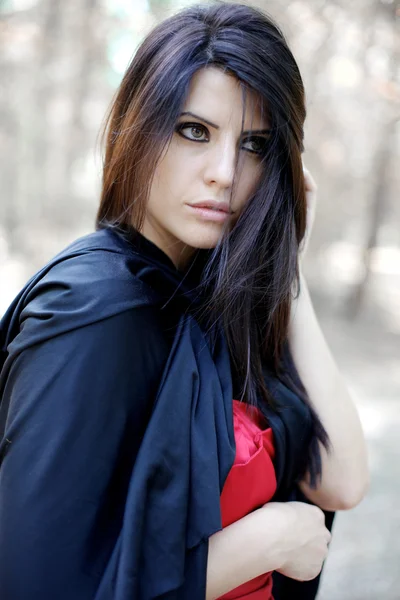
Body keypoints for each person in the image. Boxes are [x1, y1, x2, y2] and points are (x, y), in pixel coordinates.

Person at [0, 2, 369, 599]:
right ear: (137, 130)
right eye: (193, 131)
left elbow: (342, 481)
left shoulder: (211, 298)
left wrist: (287, 267)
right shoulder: (95, 313)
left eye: (254, 145)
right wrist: (259, 545)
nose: (224, 172)